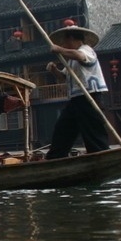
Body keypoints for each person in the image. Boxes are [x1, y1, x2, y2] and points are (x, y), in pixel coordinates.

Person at [45, 23, 110, 159]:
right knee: (63, 129)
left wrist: (59, 49)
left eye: (66, 41)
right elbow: (63, 76)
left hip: (89, 97)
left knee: (92, 132)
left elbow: (80, 56)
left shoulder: (86, 50)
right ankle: (56, 158)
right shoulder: (70, 60)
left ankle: (101, 156)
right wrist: (54, 70)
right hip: (76, 99)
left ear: (73, 39)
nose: (64, 44)